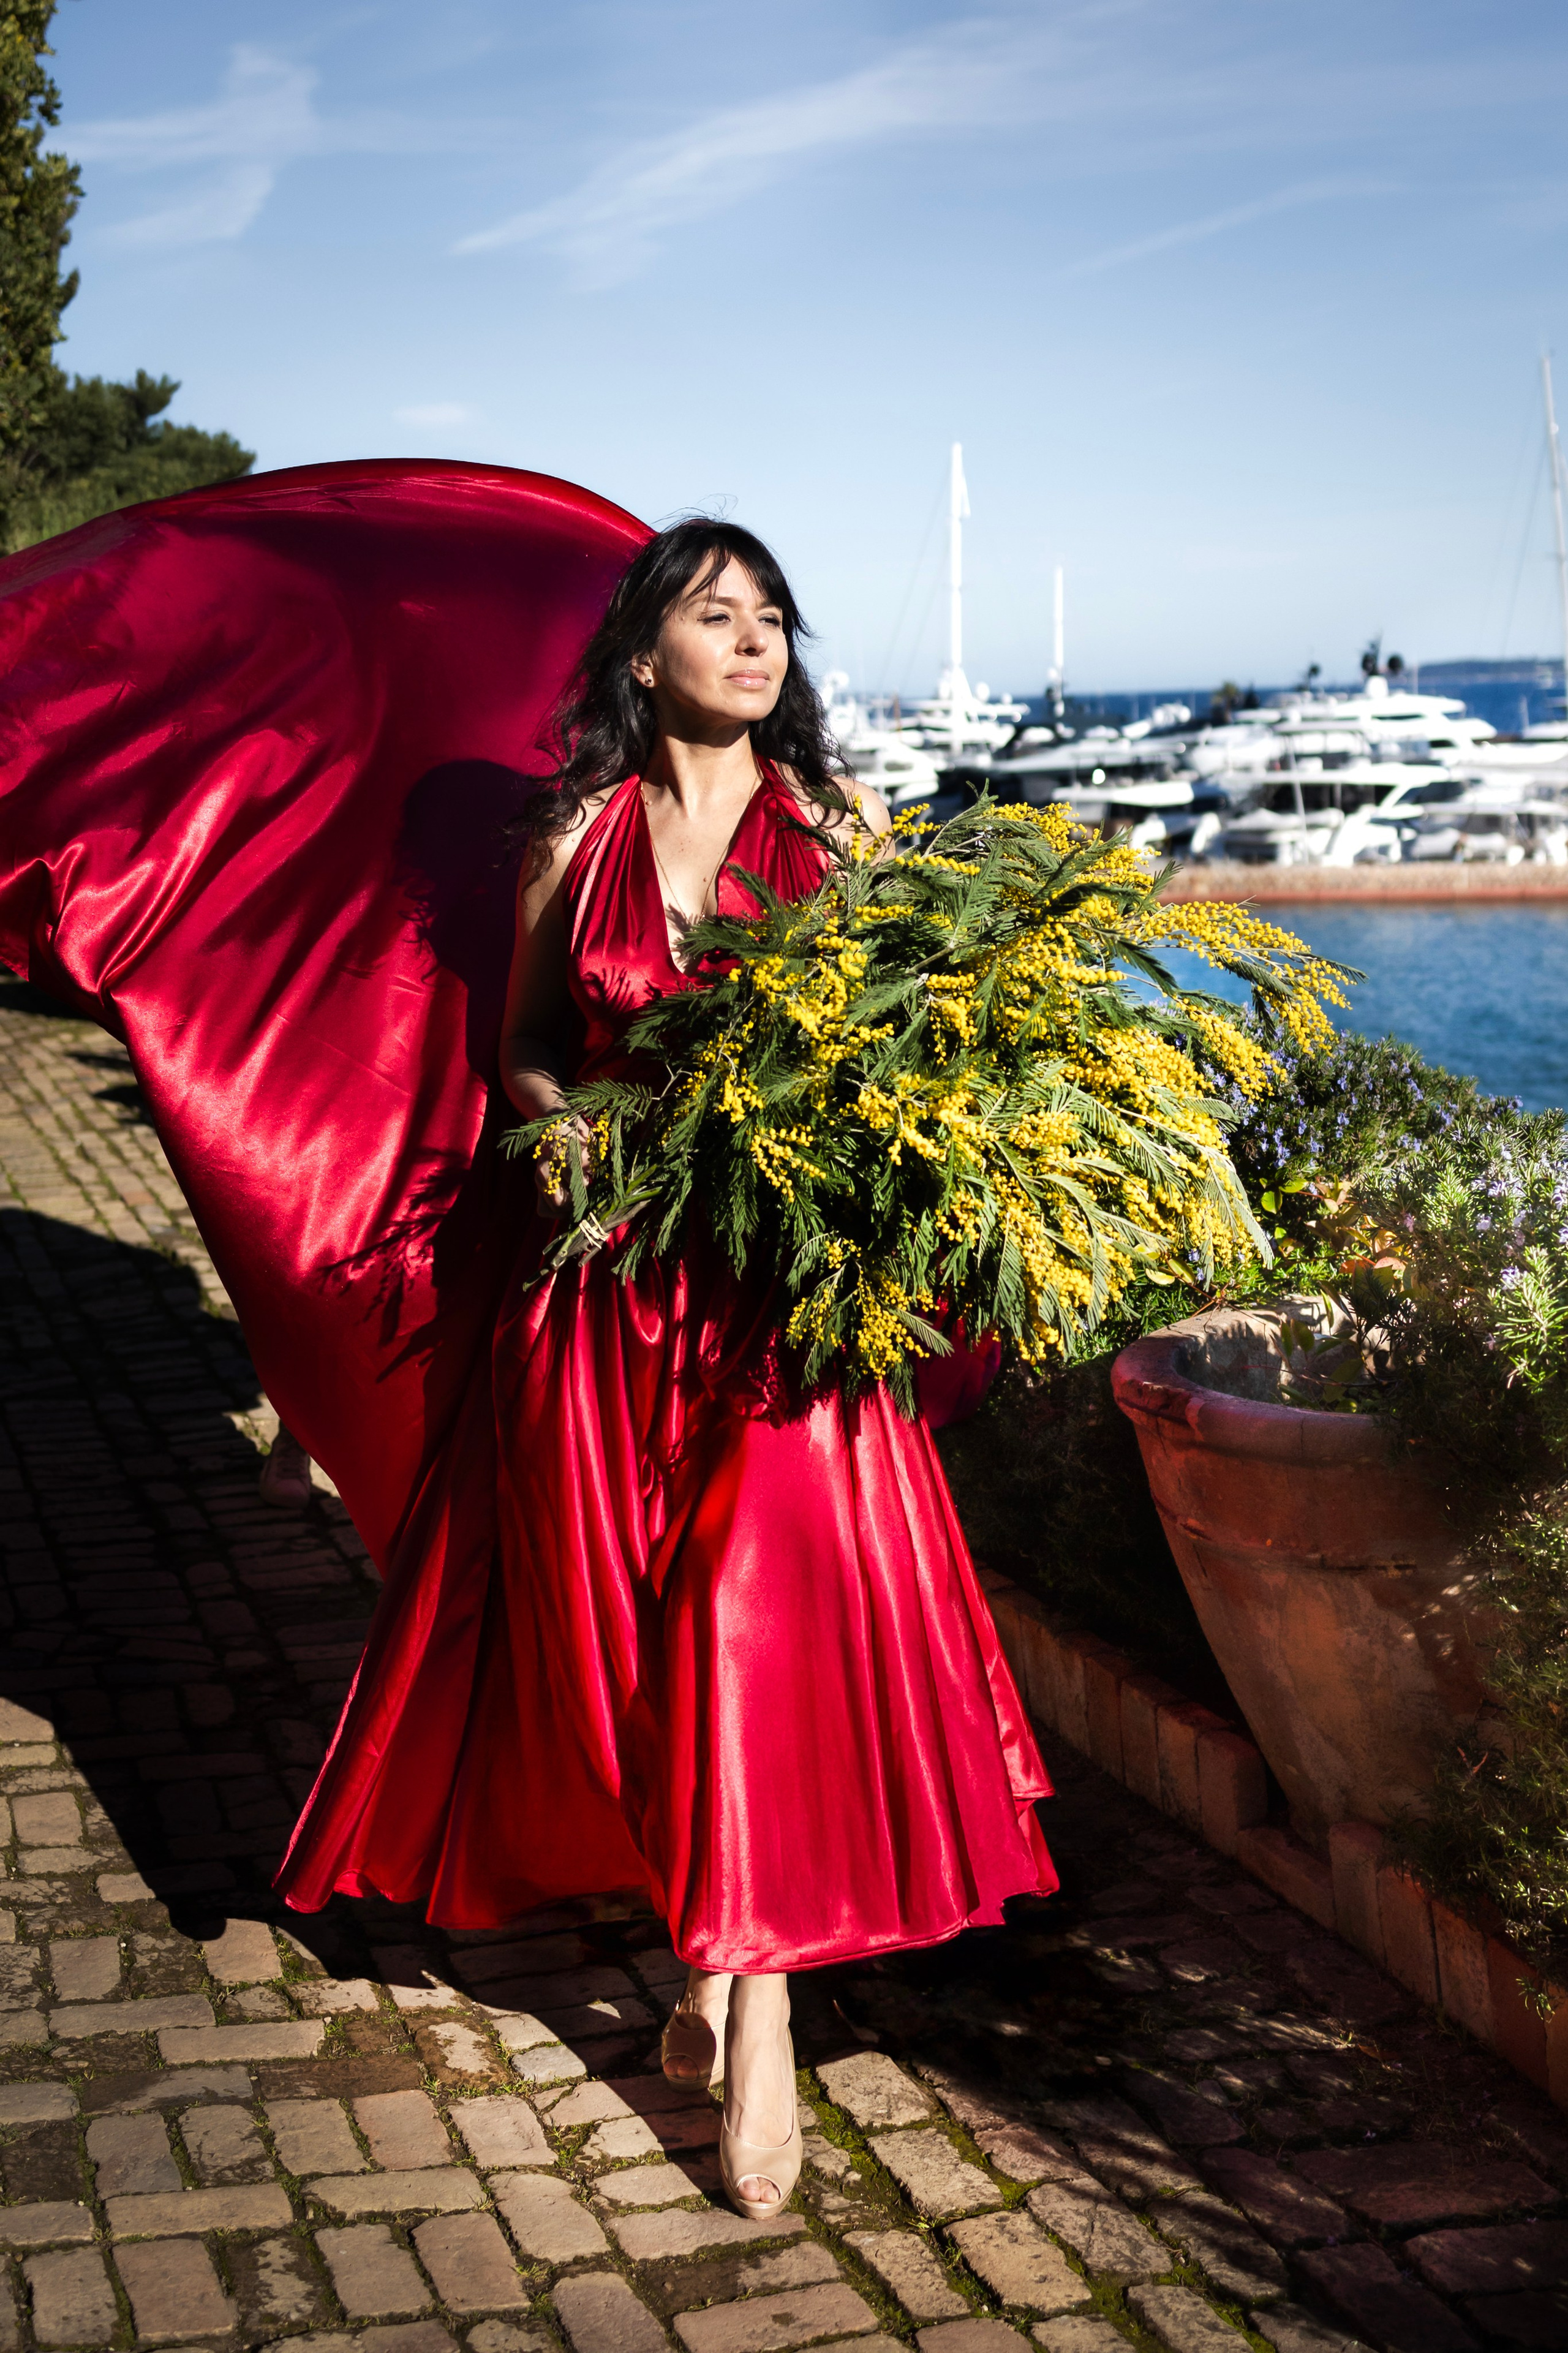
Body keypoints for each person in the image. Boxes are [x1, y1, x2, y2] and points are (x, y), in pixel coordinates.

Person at [478, 519, 1056, 2216]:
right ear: (643, 650)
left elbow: (921, 1046)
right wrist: (565, 1132)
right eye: (714, 614)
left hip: (788, 1317)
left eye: (773, 618)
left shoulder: (845, 837)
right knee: (652, 1651)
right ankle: (713, 1959)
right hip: (613, 1305)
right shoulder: (570, 834)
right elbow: (519, 1048)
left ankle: (768, 2014)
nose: (754, 640)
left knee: (750, 1616)